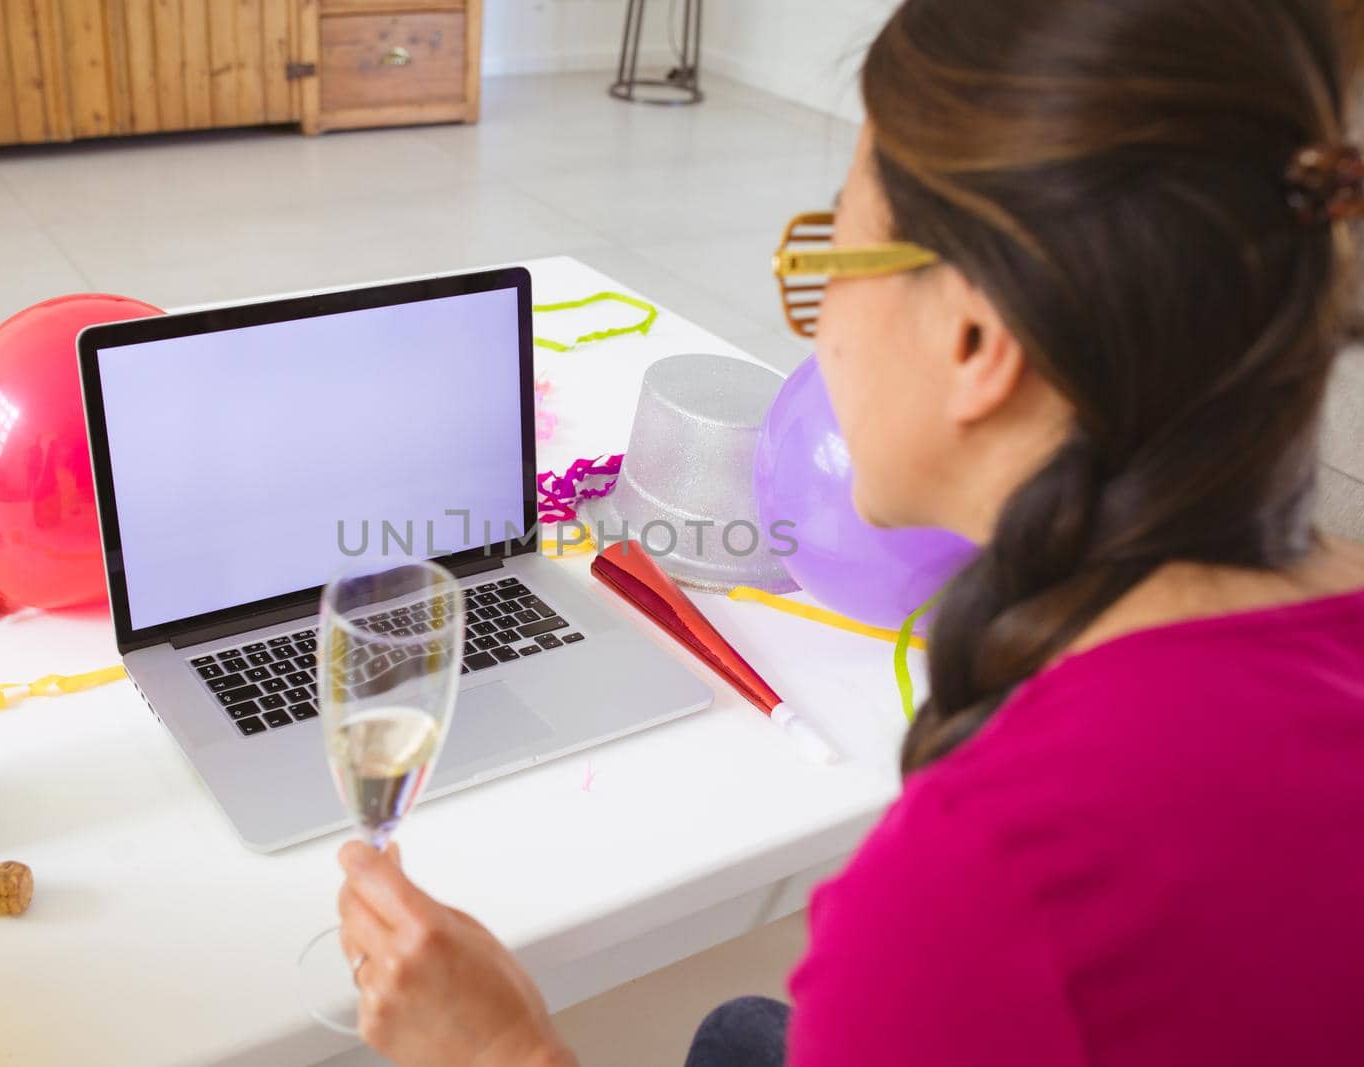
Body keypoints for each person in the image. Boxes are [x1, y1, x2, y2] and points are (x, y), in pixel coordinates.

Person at [333, 0, 1364, 1063]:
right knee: (741, 1032)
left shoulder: (984, 878)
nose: (818, 320)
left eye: (833, 252)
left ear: (974, 339)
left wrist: (500, 1044)